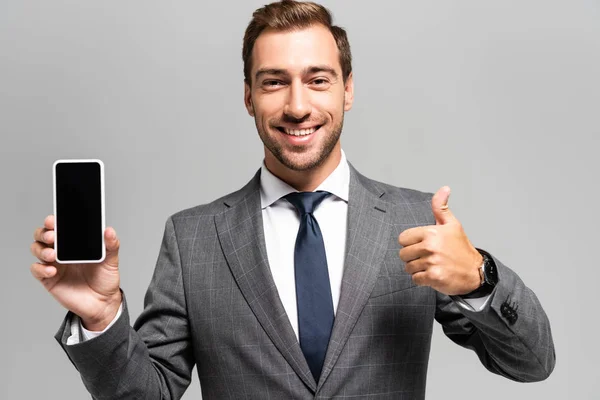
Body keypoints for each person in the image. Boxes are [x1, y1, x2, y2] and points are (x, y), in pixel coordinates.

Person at [30, 1, 555, 398]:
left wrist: (480, 277)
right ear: (248, 96)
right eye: (274, 82)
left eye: (318, 80)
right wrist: (101, 317)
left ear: (347, 89)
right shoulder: (193, 240)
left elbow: (531, 363)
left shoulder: (415, 221)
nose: (297, 105)